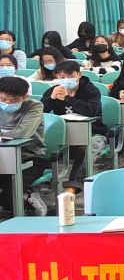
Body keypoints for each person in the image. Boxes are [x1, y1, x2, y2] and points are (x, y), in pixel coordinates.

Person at [41, 60, 106, 192]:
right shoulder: (53, 90)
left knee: (87, 148)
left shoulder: (91, 90)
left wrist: (68, 99)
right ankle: (43, 180)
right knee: (41, 146)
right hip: (63, 134)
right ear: (57, 77)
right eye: (62, 77)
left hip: (92, 132)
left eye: (70, 76)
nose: (66, 80)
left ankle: (74, 184)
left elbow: (91, 111)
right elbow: (40, 112)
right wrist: (51, 98)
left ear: (79, 75)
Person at [0, 76, 47, 215]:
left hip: (29, 157)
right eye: (3, 99)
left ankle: (29, 197)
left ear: (25, 96)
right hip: (2, 157)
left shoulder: (34, 106)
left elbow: (23, 133)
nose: (8, 103)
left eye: (14, 100)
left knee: (10, 196)